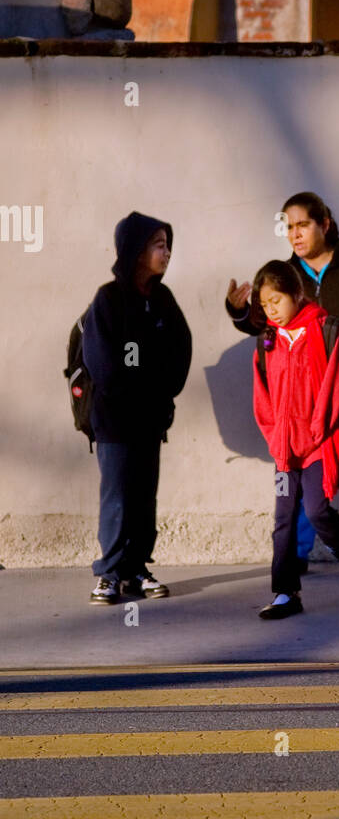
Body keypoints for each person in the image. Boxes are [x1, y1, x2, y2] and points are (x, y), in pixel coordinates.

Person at [226, 193, 339, 575]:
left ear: (324, 224)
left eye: (302, 224)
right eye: (288, 227)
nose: (294, 234)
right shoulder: (287, 274)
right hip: (305, 396)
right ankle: (298, 552)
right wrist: (240, 312)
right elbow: (267, 322)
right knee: (302, 464)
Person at [251, 259, 339, 618]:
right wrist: (276, 437)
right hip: (284, 448)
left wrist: (315, 432)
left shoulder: (326, 330)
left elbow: (336, 385)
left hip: (318, 443)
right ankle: (285, 593)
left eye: (276, 300)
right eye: (264, 304)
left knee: (318, 511)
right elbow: (262, 395)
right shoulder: (268, 341)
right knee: (284, 519)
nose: (270, 310)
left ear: (296, 293)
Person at [83, 212, 192, 605]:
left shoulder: (162, 300)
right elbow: (101, 361)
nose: (166, 252)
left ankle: (137, 569)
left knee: (145, 495)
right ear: (135, 251)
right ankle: (109, 573)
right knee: (116, 495)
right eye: (157, 245)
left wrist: (162, 395)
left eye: (167, 244)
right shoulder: (108, 299)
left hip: (150, 419)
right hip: (114, 421)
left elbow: (180, 350)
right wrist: (132, 392)